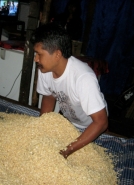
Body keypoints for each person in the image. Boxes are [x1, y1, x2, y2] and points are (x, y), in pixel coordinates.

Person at [30, 23, 108, 159]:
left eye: (39, 54)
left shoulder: (83, 78)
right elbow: (49, 96)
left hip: (92, 127)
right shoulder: (45, 69)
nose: (35, 59)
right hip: (69, 123)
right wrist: (42, 128)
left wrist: (67, 151)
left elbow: (101, 122)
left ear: (57, 54)